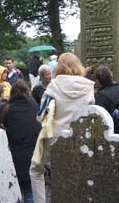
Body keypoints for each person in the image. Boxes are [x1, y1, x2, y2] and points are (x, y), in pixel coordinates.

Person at [30, 52, 95, 203]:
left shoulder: (53, 86)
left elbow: (42, 116)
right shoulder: (88, 87)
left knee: (35, 170)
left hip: (54, 138)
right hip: (79, 139)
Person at [2, 79, 41, 203]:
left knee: (17, 191)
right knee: (30, 191)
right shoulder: (34, 105)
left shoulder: (8, 109)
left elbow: (4, 126)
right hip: (34, 152)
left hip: (16, 154)